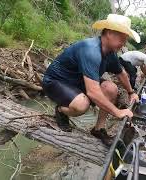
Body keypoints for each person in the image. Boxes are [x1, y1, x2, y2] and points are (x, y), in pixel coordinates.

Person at [42, 14, 140, 146]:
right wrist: (117, 112)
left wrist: (131, 92)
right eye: (122, 39)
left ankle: (98, 129)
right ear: (110, 33)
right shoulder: (91, 50)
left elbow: (121, 73)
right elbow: (93, 92)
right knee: (82, 104)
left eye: (125, 40)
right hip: (56, 81)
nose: (123, 44)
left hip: (79, 81)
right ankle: (61, 110)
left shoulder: (110, 53)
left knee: (111, 88)